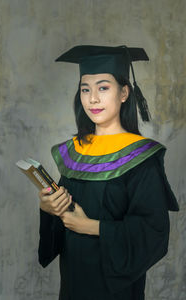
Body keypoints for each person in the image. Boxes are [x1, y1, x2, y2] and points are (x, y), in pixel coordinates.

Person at [38, 45, 179, 300]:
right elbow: (63, 221)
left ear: (124, 92)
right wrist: (50, 208)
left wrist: (93, 227)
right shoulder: (75, 153)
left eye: (103, 88)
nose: (92, 98)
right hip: (73, 283)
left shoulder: (140, 158)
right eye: (85, 89)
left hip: (115, 290)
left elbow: (153, 231)